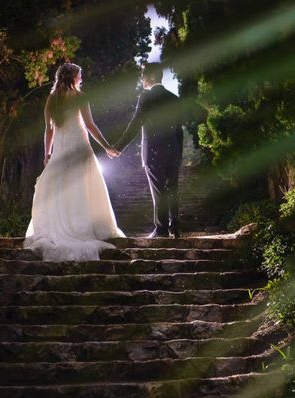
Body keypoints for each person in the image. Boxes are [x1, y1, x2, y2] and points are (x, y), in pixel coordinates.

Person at [24, 63, 124, 261]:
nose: (81, 79)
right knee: (84, 186)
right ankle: (86, 226)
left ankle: (67, 224)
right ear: (72, 78)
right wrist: (106, 146)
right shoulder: (80, 97)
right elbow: (90, 126)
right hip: (79, 148)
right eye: (79, 76)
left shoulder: (52, 99)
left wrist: (47, 154)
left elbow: (49, 130)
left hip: (61, 150)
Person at [115, 62, 183, 238]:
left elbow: (135, 124)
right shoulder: (174, 98)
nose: (142, 78)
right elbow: (178, 129)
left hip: (154, 151)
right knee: (172, 190)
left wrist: (119, 147)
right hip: (173, 150)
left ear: (152, 77)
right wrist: (179, 155)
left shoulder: (146, 97)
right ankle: (175, 226)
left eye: (144, 75)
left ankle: (161, 229)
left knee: (159, 191)